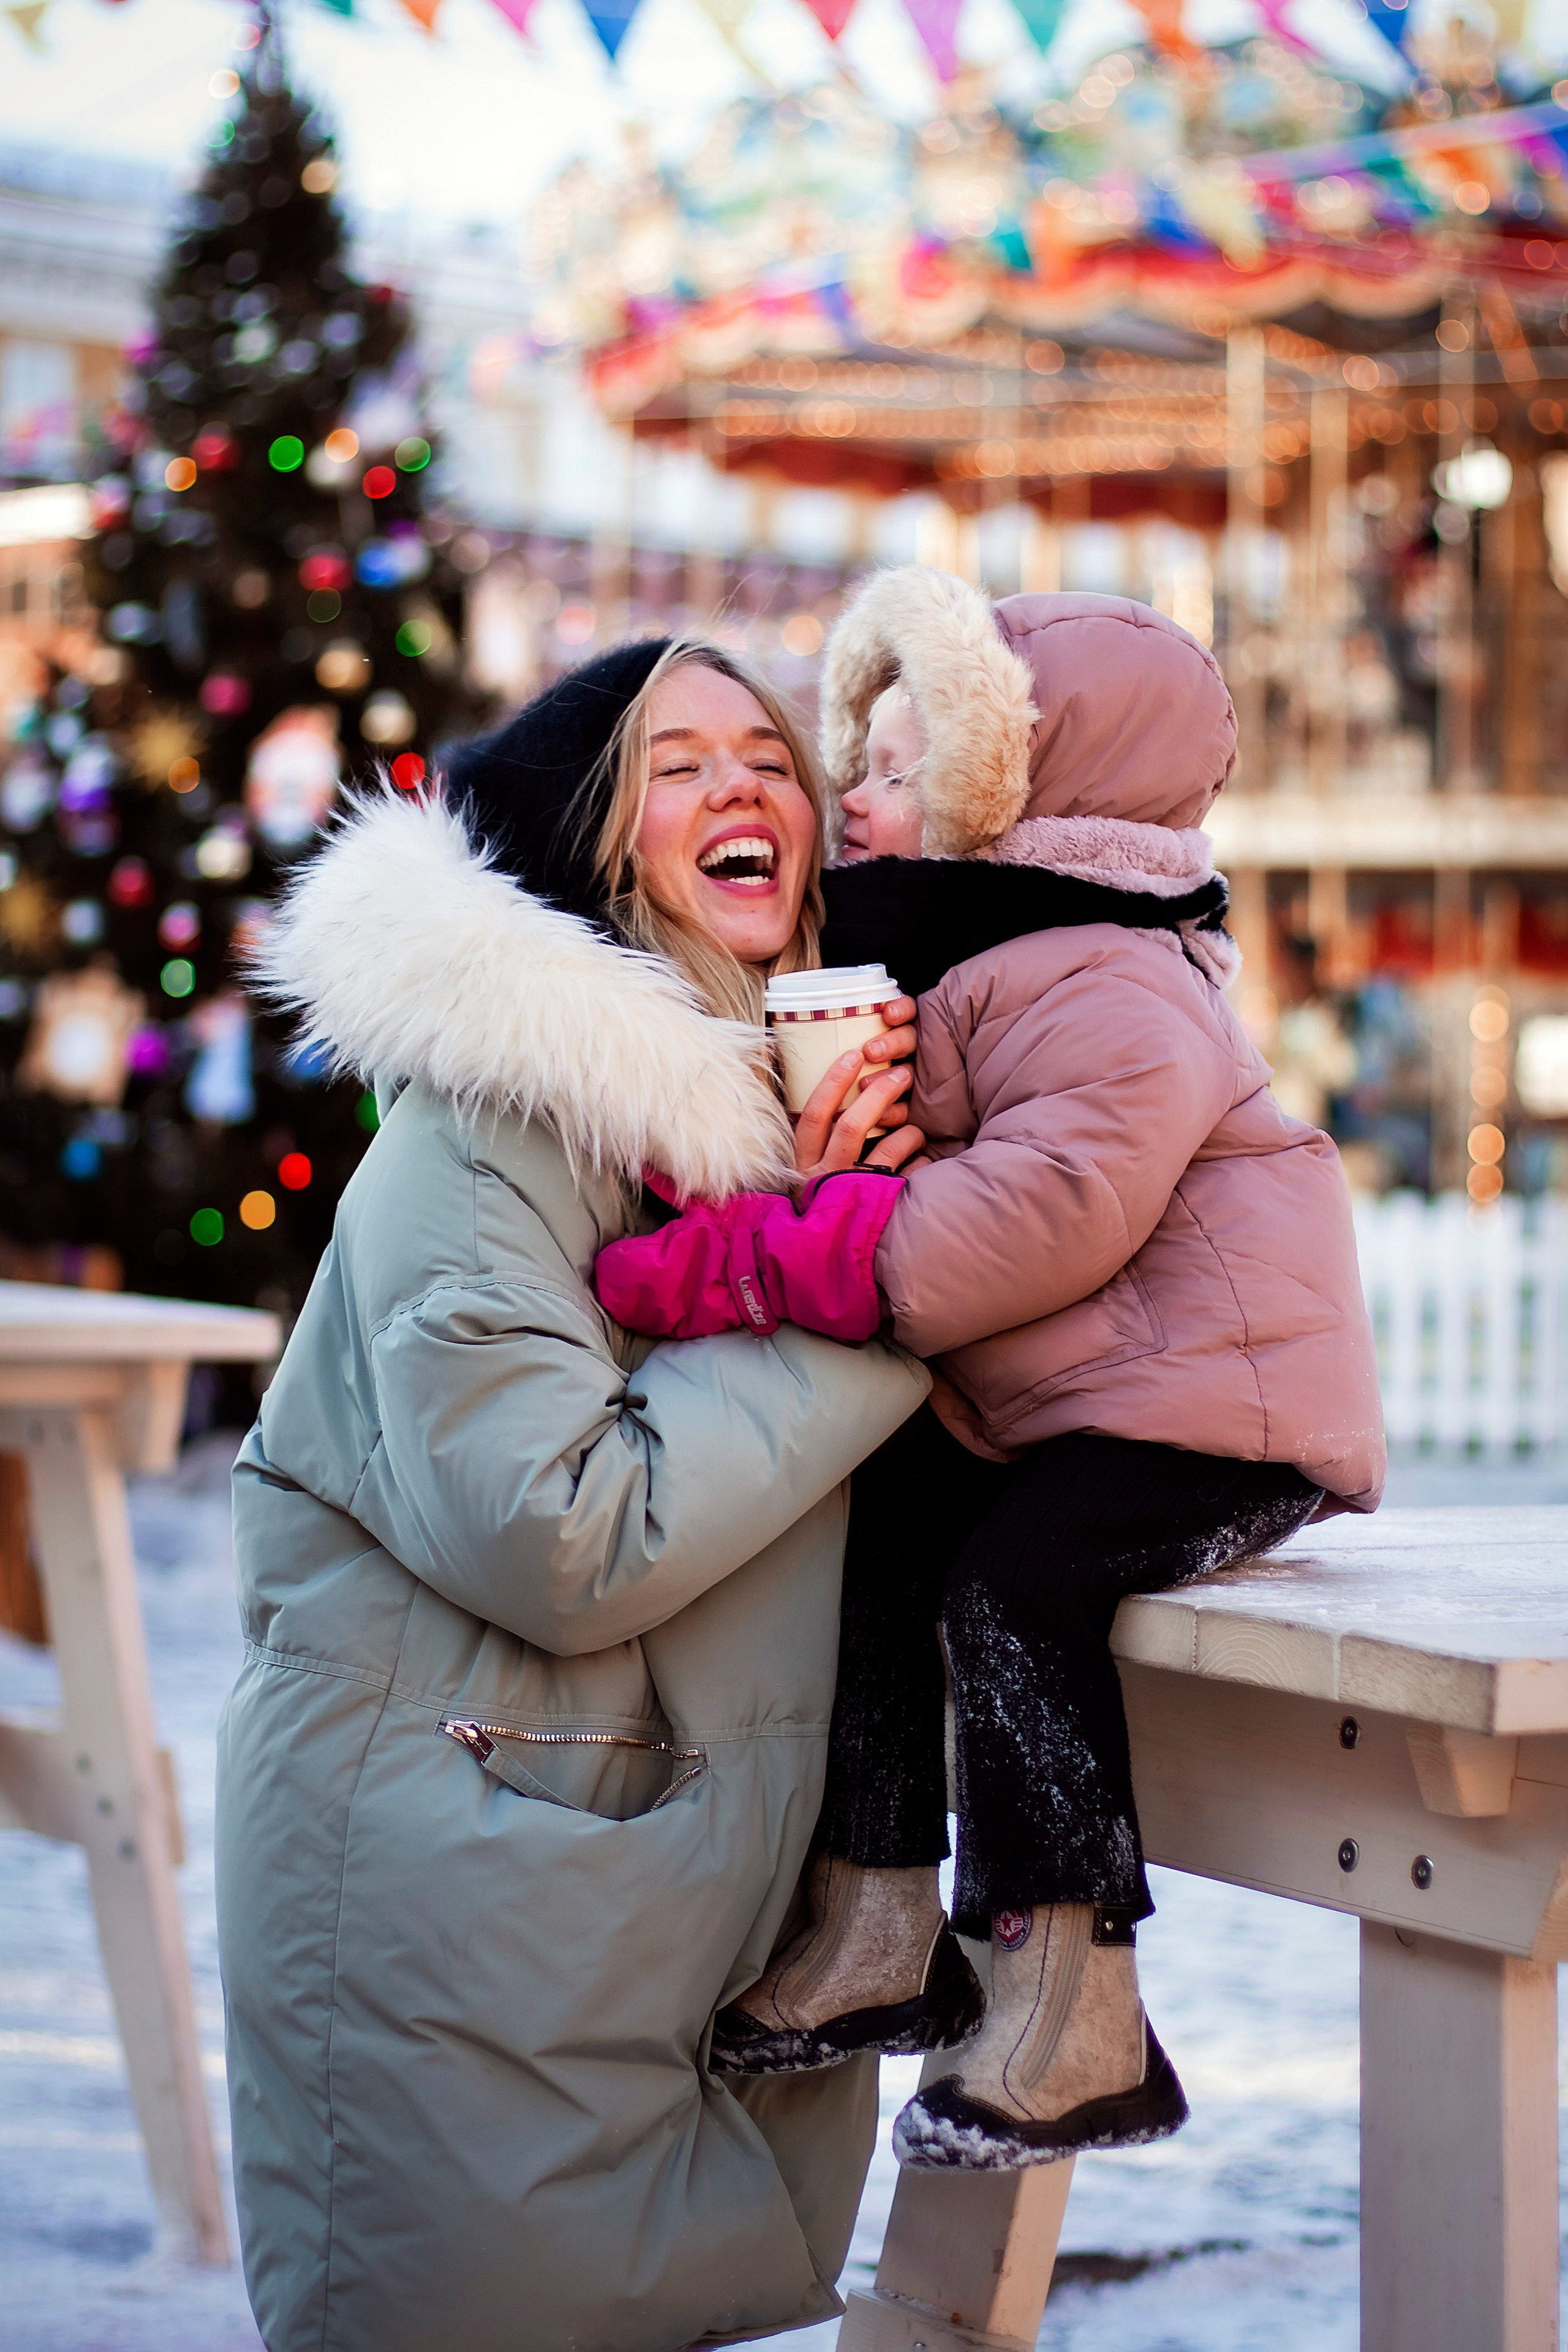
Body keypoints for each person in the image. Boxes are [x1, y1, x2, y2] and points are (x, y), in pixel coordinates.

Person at [595, 573, 1387, 2173]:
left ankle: (1078, 1996)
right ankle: (876, 1909)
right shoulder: (972, 960)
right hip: (1084, 1394)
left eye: (898, 773)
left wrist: (798, 1252)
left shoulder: (1111, 975)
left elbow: (1052, 1214)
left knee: (1014, 1596)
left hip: (1214, 1408)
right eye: (867, 765)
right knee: (884, 1523)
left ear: (1016, 796)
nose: (857, 805)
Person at [215, 635, 933, 2352]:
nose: (743, 785)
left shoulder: (803, 1116)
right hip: (474, 1915)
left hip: (690, 1921)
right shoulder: (489, 1126)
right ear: (599, 850)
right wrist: (870, 1301)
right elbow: (557, 1528)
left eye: (769, 757)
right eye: (677, 765)